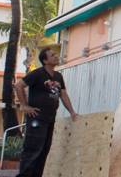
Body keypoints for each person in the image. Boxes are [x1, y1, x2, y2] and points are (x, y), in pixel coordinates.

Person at [15, 47, 77, 177]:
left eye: (55, 54)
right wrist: (24, 105)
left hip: (50, 119)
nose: (56, 56)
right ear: (45, 60)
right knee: (33, 151)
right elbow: (19, 85)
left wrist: (72, 112)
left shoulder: (58, 76)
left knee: (44, 151)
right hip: (37, 118)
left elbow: (63, 95)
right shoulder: (37, 73)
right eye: (52, 55)